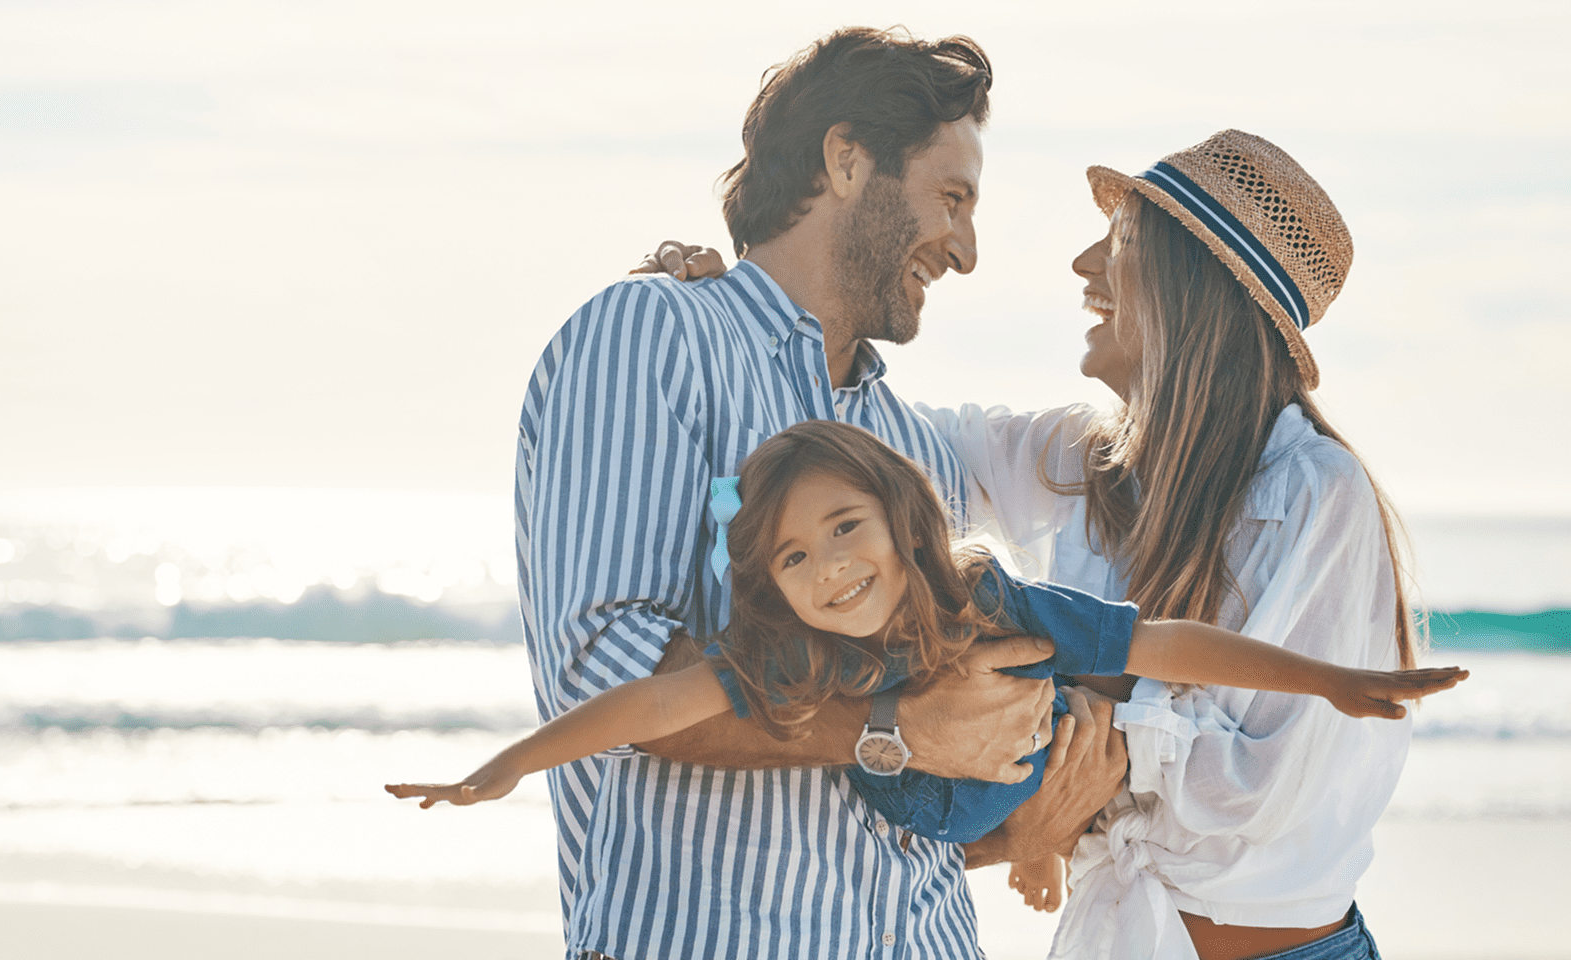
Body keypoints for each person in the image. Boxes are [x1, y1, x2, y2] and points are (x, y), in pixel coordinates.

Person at [637, 130, 1426, 959]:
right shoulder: (1084, 462)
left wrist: (1103, 743)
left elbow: (1271, 789)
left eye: (1120, 243)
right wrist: (743, 319)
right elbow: (864, 448)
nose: (1085, 265)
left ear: (1192, 292)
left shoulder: (1315, 494)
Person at [513, 26, 1130, 960]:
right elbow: (604, 667)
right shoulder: (655, 335)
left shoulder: (911, 445)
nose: (964, 250)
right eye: (951, 199)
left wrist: (1023, 829)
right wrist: (893, 728)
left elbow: (886, 799)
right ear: (847, 160)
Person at [393, 421, 1462, 897]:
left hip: (1035, 767)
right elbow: (647, 705)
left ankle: (1052, 836)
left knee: (1089, 678)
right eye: (795, 556)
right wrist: (509, 767)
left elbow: (1158, 638)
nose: (830, 570)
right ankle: (1036, 845)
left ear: (905, 519)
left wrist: (1328, 677)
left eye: (847, 528)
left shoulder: (988, 599)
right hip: (955, 832)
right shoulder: (796, 657)